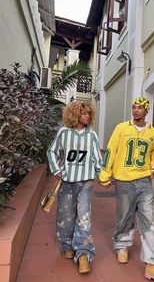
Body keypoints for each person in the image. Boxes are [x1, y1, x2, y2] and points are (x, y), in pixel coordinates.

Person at [99, 97, 154, 282]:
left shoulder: (153, 132)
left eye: (140, 108)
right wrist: (105, 175)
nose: (136, 110)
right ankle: (122, 245)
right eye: (134, 107)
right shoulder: (121, 128)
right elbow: (111, 150)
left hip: (144, 181)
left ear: (146, 111)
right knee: (125, 216)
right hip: (124, 181)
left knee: (148, 219)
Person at [47, 100, 102, 274]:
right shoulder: (64, 132)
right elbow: (52, 151)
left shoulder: (91, 135)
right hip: (67, 181)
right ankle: (66, 245)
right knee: (66, 215)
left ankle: (84, 252)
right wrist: (56, 169)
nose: (87, 116)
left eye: (88, 113)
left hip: (85, 182)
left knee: (84, 215)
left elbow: (97, 158)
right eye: (83, 113)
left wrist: (103, 175)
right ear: (75, 114)